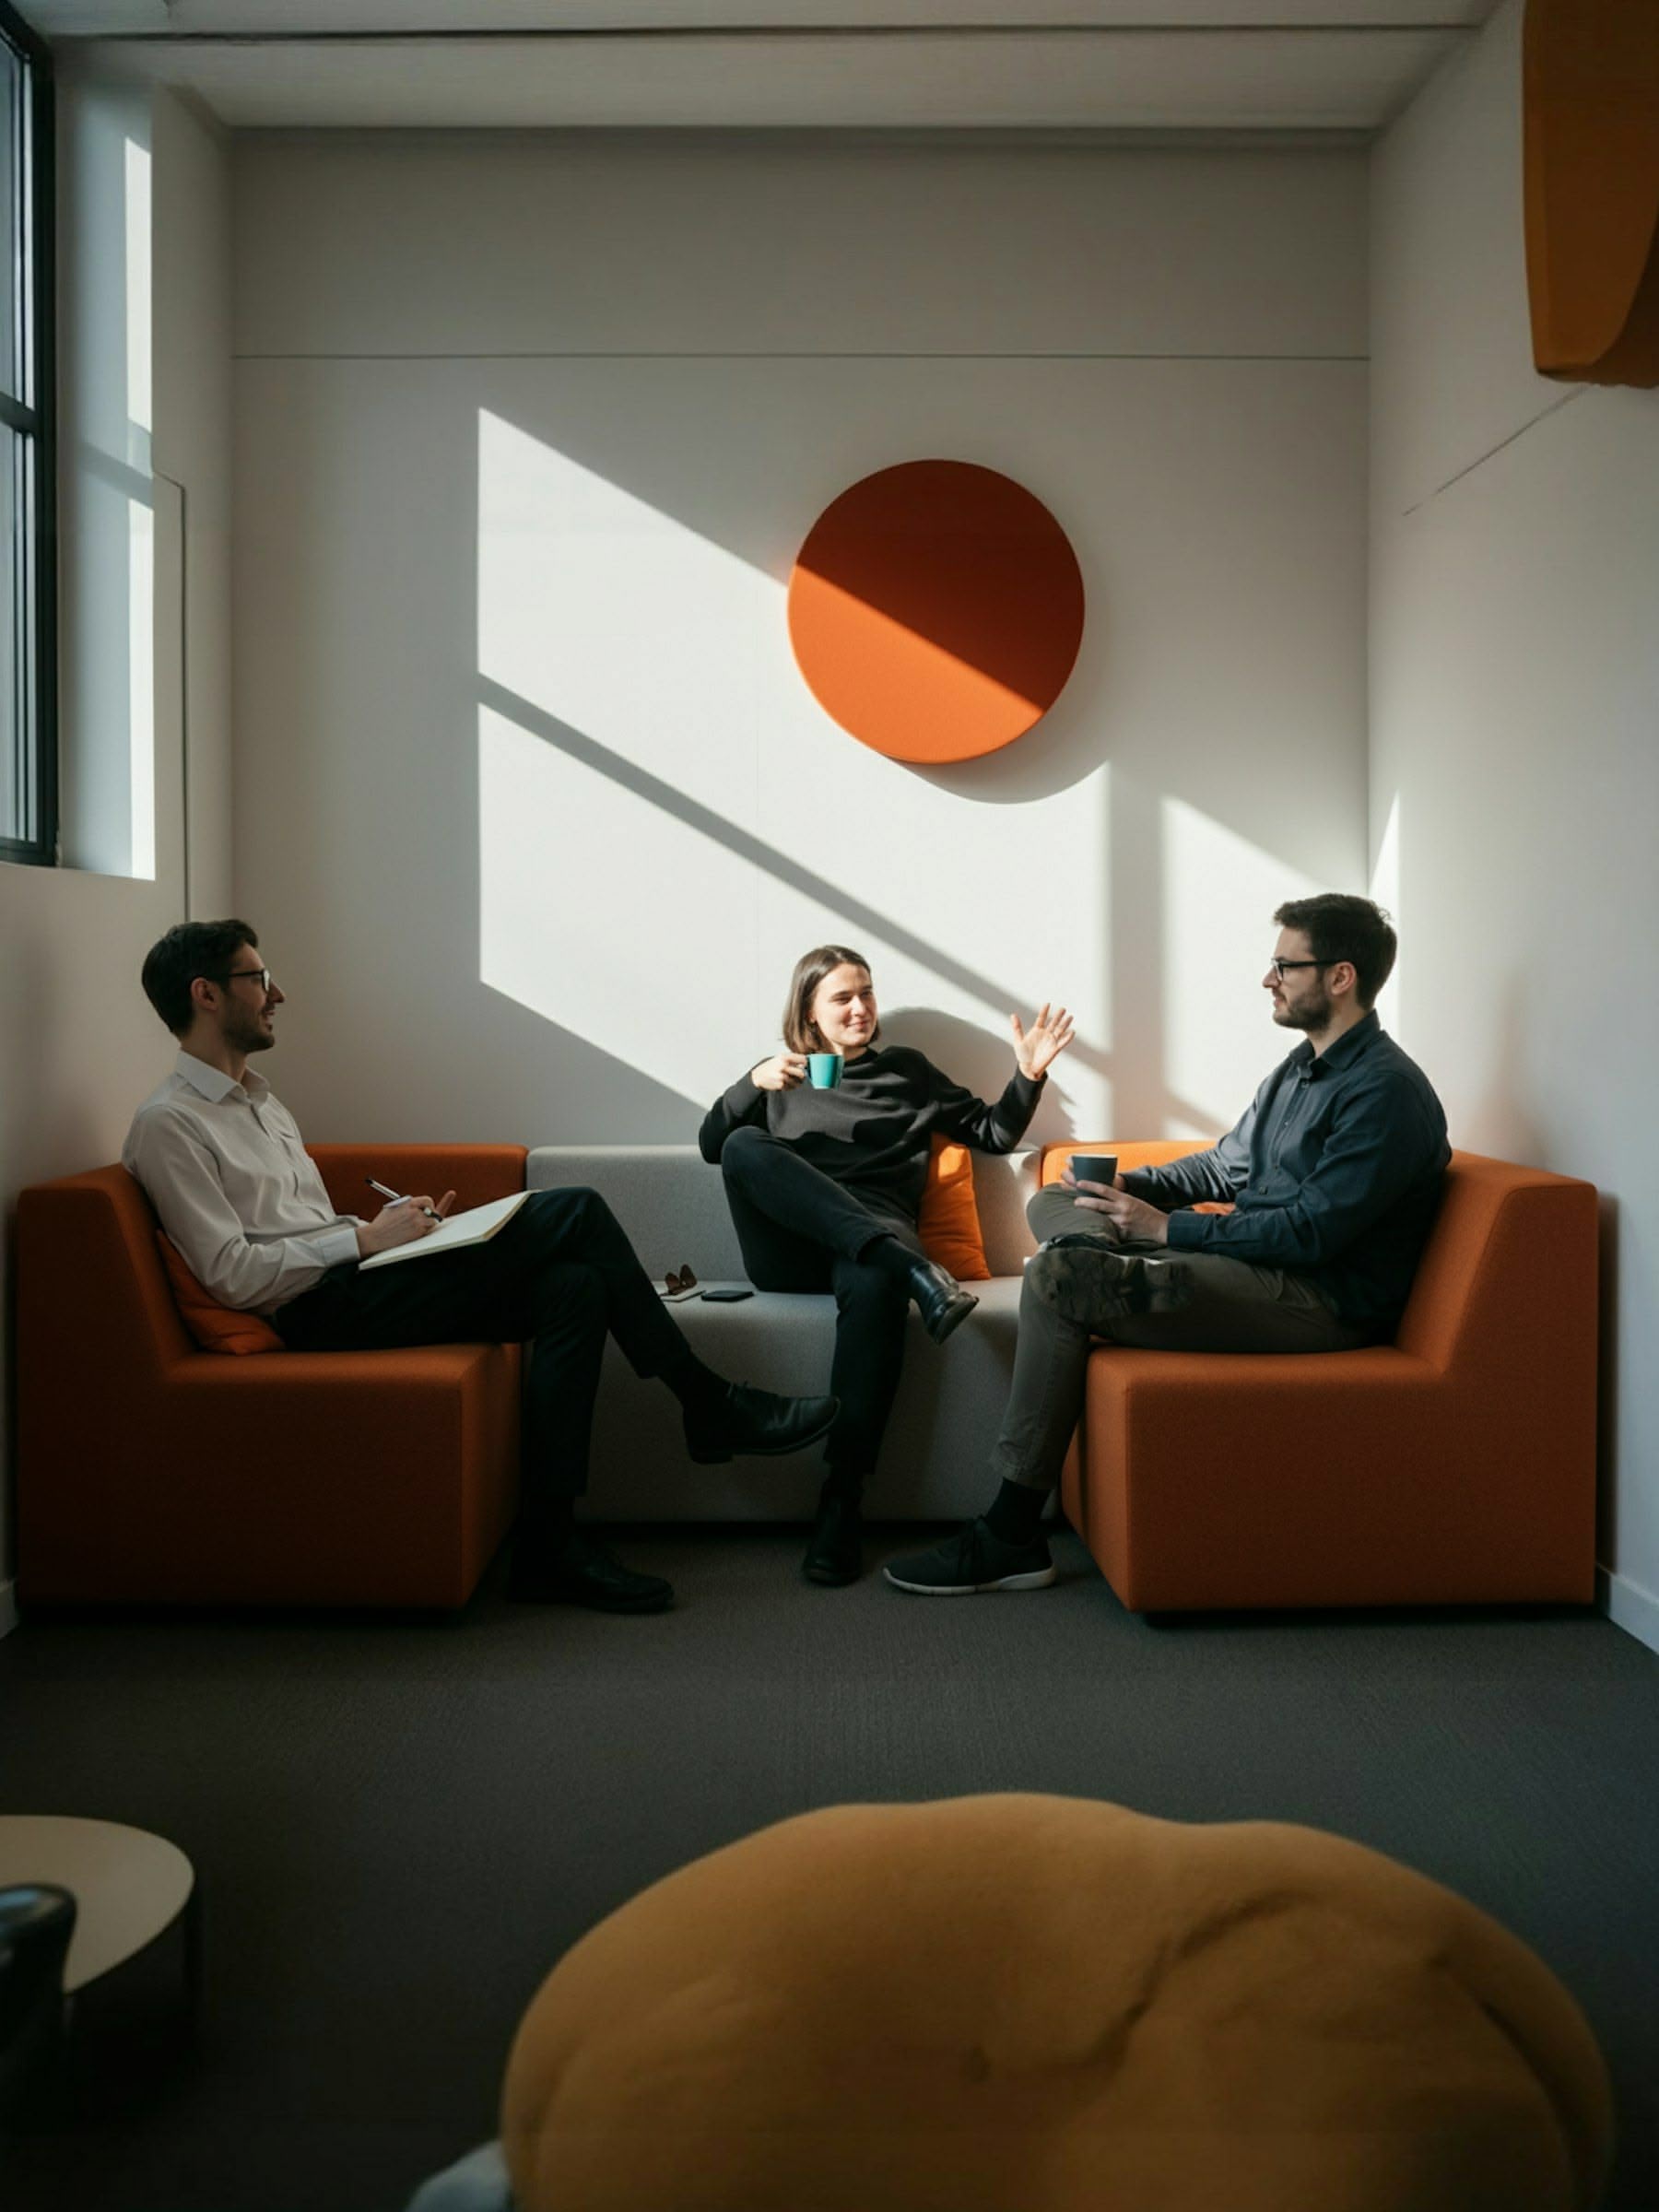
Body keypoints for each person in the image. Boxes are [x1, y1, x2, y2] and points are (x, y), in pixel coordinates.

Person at [123, 921, 839, 1616]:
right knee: (578, 1210)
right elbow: (231, 1275)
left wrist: (392, 1228)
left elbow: (302, 1226)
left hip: (355, 1279)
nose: (276, 994)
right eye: (259, 978)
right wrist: (366, 1244)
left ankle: (549, 1547)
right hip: (312, 1311)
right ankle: (708, 1404)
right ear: (207, 995)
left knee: (575, 1289)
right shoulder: (170, 1125)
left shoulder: (264, 1101)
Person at [884, 894, 1450, 1596]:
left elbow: (1312, 1232)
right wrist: (1125, 1188)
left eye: (1284, 965)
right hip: (1249, 1267)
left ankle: (1009, 1534)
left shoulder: (1385, 1093)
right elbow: (1219, 1167)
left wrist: (1164, 1228)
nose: (1268, 979)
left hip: (1315, 1300)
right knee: (1056, 1194)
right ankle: (1094, 1254)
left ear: (1340, 977)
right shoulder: (1299, 1071)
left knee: (1058, 1282)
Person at [700, 945, 1075, 1587]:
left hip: (874, 1239)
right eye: (842, 997)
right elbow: (714, 1149)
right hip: (791, 1247)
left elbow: (991, 1136)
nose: (860, 1007)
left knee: (873, 1277)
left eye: (867, 992)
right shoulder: (779, 1077)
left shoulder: (907, 1071)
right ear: (810, 1014)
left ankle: (841, 1502)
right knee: (742, 1143)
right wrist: (750, 1084)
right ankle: (910, 1272)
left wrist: (1028, 1077)